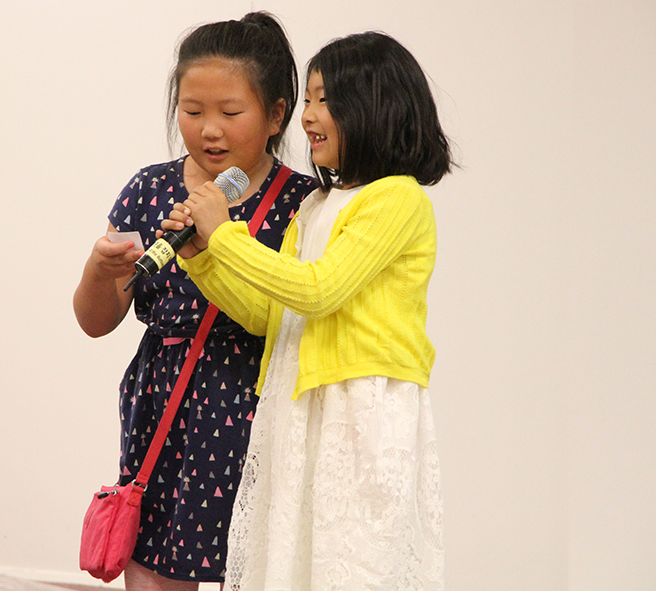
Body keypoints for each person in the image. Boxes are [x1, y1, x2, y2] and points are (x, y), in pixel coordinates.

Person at [162, 31, 454, 591]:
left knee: (351, 562)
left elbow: (319, 290)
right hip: (298, 404)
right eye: (310, 100)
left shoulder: (397, 198)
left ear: (375, 109)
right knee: (294, 564)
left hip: (358, 408)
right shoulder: (318, 203)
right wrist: (203, 258)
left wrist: (224, 234)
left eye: (326, 100)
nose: (309, 117)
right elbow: (273, 315)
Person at [73, 11, 317, 590]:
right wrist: (100, 270)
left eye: (230, 113)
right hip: (161, 403)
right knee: (154, 564)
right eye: (192, 111)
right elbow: (95, 321)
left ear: (276, 114)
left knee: (256, 560)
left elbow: (302, 306)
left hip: (255, 404)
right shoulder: (150, 188)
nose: (210, 130)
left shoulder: (303, 201)